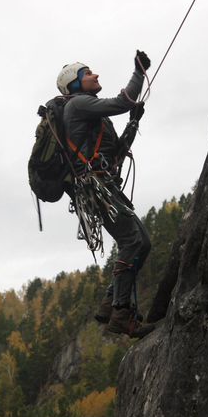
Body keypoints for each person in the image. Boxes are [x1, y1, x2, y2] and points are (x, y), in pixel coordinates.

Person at [55, 51, 154, 338]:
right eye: (87, 74)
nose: (95, 75)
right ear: (74, 85)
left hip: (104, 185)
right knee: (132, 240)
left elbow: (115, 154)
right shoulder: (78, 105)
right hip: (95, 188)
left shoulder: (94, 115)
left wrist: (134, 123)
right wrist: (138, 73)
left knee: (142, 243)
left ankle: (110, 302)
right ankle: (122, 312)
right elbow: (123, 101)